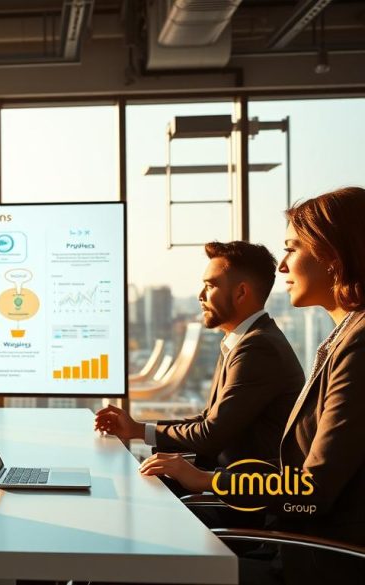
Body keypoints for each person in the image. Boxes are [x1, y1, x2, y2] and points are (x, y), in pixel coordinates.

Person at [140, 187, 365, 582]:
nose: (283, 266)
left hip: (313, 563)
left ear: (332, 257)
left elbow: (313, 490)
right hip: (294, 543)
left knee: (139, 562)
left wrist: (208, 481)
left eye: (292, 249)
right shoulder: (343, 338)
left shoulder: (358, 346)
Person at [96, 241, 303, 473]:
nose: (200, 295)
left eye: (210, 286)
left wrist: (140, 431)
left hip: (242, 489)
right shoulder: (241, 341)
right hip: (223, 479)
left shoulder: (258, 348)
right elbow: (207, 420)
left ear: (241, 292)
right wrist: (137, 429)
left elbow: (209, 435)